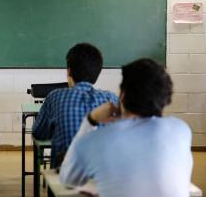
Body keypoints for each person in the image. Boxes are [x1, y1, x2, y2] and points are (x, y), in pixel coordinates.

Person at [60, 58, 193, 197]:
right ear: (166, 97)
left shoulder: (93, 141)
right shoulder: (181, 130)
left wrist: (90, 120)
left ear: (122, 95)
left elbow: (68, 180)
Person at [32, 43, 118, 167]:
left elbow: (38, 133)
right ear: (98, 72)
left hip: (64, 175)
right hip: (102, 176)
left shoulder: (55, 97)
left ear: (69, 72)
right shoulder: (111, 99)